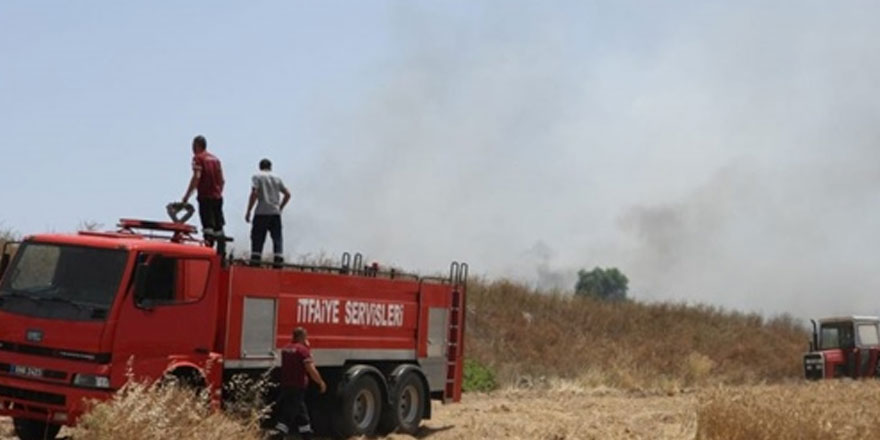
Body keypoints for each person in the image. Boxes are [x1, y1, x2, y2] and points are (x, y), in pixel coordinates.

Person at [274, 327, 326, 440]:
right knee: (289, 414)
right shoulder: (302, 350)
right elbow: (311, 370)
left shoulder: (286, 349)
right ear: (302, 337)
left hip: (286, 385)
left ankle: (307, 436)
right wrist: (320, 382)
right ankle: (278, 435)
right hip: (297, 386)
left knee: (302, 414)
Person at [181, 135, 225, 249]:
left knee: (208, 227)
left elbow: (197, 177)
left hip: (205, 196)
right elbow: (222, 180)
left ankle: (208, 250)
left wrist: (187, 196)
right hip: (217, 197)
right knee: (219, 227)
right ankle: (221, 252)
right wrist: (219, 192)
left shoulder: (198, 158)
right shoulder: (216, 160)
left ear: (197, 145)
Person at [245, 158, 291, 267]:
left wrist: (249, 210)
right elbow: (288, 194)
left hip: (261, 212)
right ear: (270, 167)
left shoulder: (257, 177)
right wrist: (281, 207)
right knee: (277, 237)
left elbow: (254, 193)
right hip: (275, 212)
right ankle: (278, 260)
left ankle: (255, 260)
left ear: (260, 167)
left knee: (257, 237)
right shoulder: (277, 178)